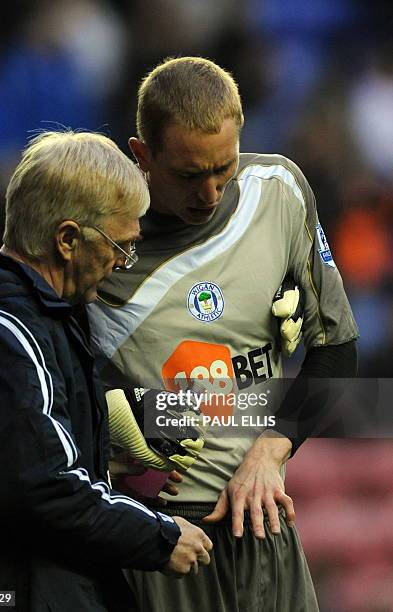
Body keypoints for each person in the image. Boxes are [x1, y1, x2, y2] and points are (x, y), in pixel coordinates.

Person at [89, 57, 359, 611]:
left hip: (264, 519)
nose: (211, 192)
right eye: (190, 175)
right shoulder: (100, 241)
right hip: (156, 537)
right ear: (142, 156)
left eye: (224, 168)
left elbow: (337, 351)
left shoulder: (278, 191)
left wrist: (270, 450)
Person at [0, 130, 213, 612]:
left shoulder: (38, 319)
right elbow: (38, 487)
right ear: (68, 239)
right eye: (120, 245)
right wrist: (158, 536)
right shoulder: (6, 330)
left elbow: (15, 458)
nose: (121, 262)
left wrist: (105, 462)